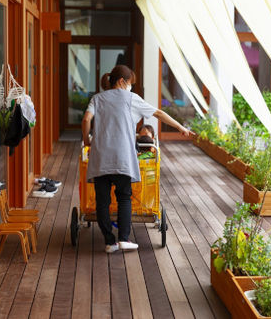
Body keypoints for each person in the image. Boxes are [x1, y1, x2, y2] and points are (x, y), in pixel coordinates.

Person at [82, 65, 193, 253]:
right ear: (121, 81)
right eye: (130, 83)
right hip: (123, 158)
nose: (131, 87)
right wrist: (180, 127)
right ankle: (124, 239)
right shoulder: (131, 98)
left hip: (101, 158)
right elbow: (158, 113)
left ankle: (109, 242)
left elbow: (86, 120)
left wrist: (87, 141)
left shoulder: (97, 99)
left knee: (102, 201)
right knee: (124, 197)